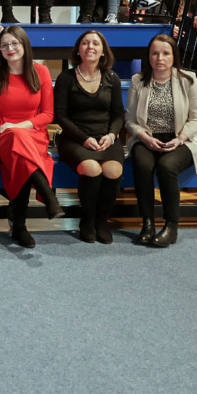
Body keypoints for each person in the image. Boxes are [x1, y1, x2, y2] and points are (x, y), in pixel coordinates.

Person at [0, 26, 61, 249]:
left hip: (32, 132)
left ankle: (19, 224)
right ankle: (46, 195)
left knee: (21, 153)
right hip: (1, 132)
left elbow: (49, 114)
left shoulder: (40, 72)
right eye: (4, 45)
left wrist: (19, 125)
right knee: (15, 139)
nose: (10, 48)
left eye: (15, 43)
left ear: (24, 45)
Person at [126, 34, 197, 248]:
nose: (159, 58)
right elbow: (130, 119)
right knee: (142, 164)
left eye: (165, 53)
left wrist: (180, 138)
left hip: (181, 139)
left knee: (166, 166)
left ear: (174, 56)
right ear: (149, 56)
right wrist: (143, 136)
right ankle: (148, 223)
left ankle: (171, 227)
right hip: (147, 137)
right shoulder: (138, 81)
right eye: (154, 53)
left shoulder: (188, 79)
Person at [53, 31, 125, 244]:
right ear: (78, 49)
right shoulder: (66, 77)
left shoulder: (112, 78)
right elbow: (60, 116)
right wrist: (84, 138)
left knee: (113, 170)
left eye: (95, 43)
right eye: (85, 43)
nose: (90, 47)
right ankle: (87, 220)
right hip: (74, 139)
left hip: (106, 137)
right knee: (92, 168)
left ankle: (102, 222)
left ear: (103, 51)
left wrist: (112, 135)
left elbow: (118, 114)